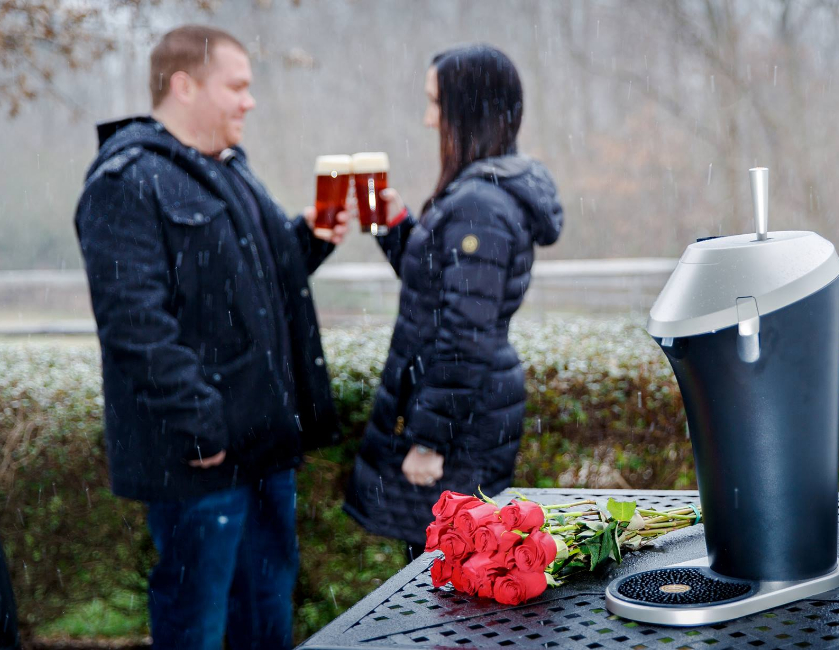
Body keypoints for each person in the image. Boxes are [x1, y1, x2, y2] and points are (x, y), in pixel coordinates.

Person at [74, 25, 346, 650]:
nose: (249, 101)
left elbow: (254, 290)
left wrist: (308, 241)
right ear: (184, 85)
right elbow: (134, 326)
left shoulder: (234, 171)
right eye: (238, 87)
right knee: (198, 624)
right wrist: (201, 428)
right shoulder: (125, 182)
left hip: (263, 451)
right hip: (200, 461)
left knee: (266, 614)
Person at [343, 44, 564, 560]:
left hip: (459, 427)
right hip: (470, 412)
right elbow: (445, 294)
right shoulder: (482, 195)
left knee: (447, 576)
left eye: (435, 104)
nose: (427, 119)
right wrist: (400, 232)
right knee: (451, 570)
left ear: (469, 112)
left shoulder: (479, 206)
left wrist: (429, 440)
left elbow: (465, 332)